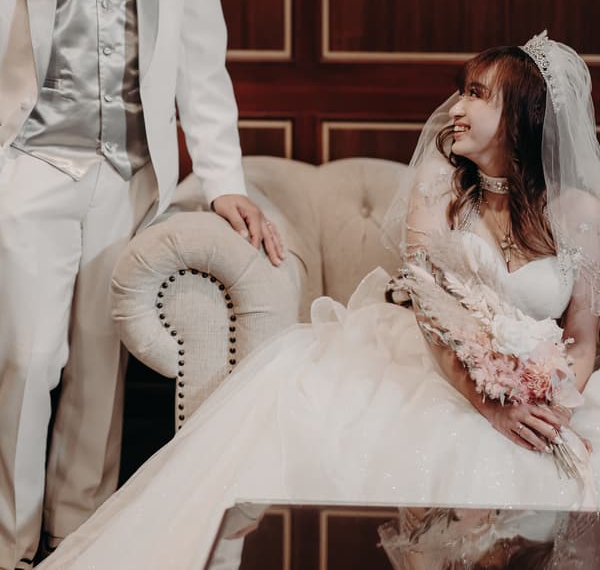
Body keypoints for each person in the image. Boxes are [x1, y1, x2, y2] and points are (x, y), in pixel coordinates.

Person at [38, 32, 600, 570]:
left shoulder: (577, 210)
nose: (456, 105)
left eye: (477, 94)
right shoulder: (440, 195)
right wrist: (488, 401)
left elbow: (583, 332)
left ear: (523, 117)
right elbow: (431, 313)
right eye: (463, 88)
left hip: (550, 393)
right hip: (436, 367)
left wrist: (555, 407)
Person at [0, 0, 284, 570]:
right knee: (27, 357)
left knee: (99, 372)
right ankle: (8, 545)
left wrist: (224, 179)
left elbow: (202, 51)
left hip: (131, 172)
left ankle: (75, 540)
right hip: (27, 165)